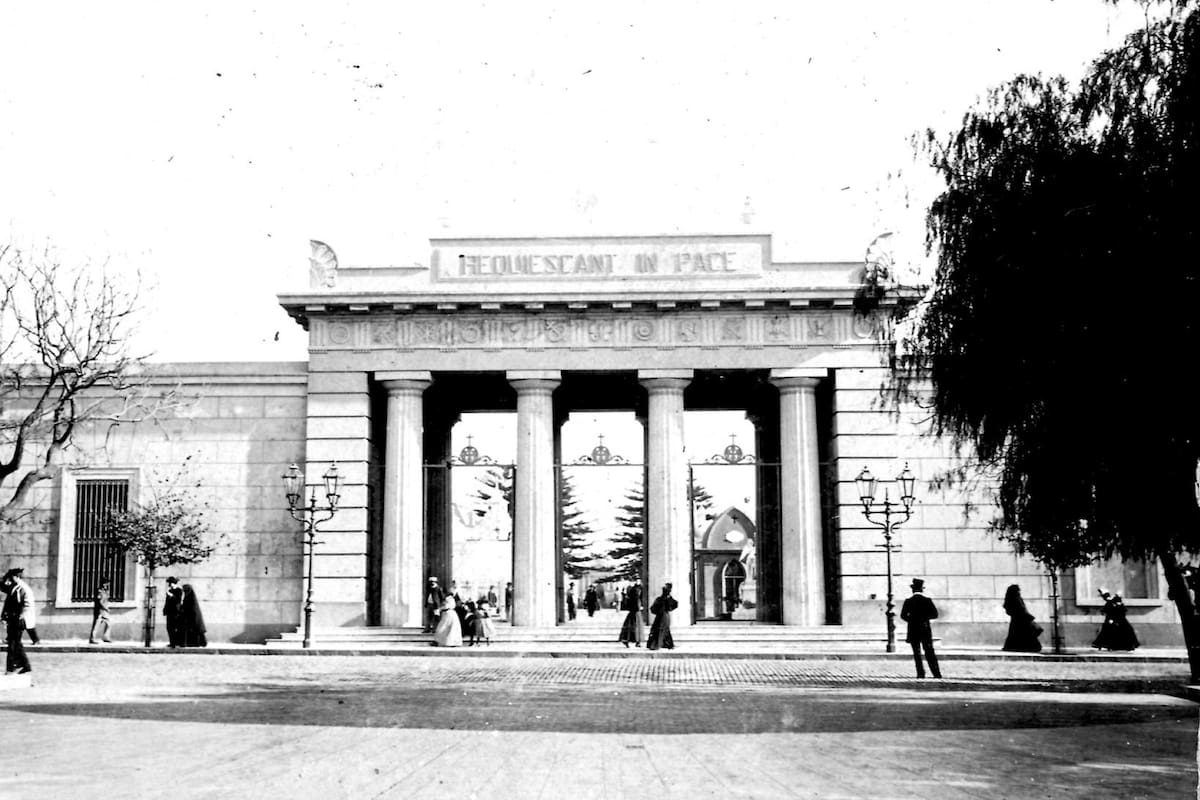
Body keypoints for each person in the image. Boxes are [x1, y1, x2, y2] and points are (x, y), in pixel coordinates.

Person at [900, 578, 941, 678]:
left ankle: (920, 673)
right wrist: (925, 619)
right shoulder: (927, 600)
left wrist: (912, 620)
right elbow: (935, 614)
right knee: (929, 651)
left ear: (913, 590)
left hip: (913, 630)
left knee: (917, 653)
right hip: (925, 629)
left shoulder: (908, 601)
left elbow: (903, 615)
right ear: (922, 589)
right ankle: (936, 673)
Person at [1, 568, 32, 675]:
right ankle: (25, 665)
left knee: (13, 645)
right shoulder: (14, 588)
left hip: (17, 620)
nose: (10, 579)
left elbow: (24, 605)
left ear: (17, 577)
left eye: (12, 577)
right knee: (16, 644)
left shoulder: (20, 589)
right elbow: (3, 587)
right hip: (14, 619)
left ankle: (11, 668)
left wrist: (20, 616)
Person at [1001, 584, 1043, 653]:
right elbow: (1022, 609)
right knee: (1027, 634)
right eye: (1018, 590)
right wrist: (1029, 616)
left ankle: (1013, 647)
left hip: (1016, 620)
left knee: (1015, 634)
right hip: (1022, 620)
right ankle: (1031, 647)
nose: (1019, 591)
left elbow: (1008, 609)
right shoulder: (1017, 598)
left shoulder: (1010, 598)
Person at [646, 583, 678, 651]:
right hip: (663, 615)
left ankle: (658, 644)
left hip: (662, 616)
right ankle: (666, 644)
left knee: (661, 629)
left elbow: (653, 608)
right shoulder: (664, 598)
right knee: (663, 629)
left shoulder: (662, 598)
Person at [618, 581, 644, 648]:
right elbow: (636, 602)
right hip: (636, 612)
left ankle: (631, 641)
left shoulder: (633, 590)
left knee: (632, 627)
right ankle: (636, 641)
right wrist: (639, 607)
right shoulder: (636, 591)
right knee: (636, 627)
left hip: (633, 612)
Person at [90, 578, 113, 644]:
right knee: (96, 625)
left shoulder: (106, 591)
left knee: (108, 623)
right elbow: (100, 601)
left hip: (105, 611)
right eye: (106, 583)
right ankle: (92, 639)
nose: (107, 585)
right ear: (103, 584)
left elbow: (106, 600)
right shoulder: (99, 591)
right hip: (99, 610)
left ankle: (105, 637)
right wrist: (105, 608)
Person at [163, 576, 184, 647]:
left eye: (170, 583)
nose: (169, 585)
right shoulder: (170, 591)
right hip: (169, 612)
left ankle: (178, 642)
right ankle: (172, 642)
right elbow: (167, 602)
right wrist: (165, 610)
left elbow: (178, 601)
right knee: (169, 628)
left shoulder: (179, 590)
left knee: (177, 628)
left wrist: (171, 595)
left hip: (176, 612)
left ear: (173, 583)